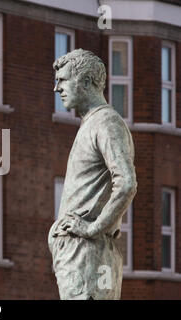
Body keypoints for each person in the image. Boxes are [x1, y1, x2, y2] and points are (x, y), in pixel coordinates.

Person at [48, 49, 137, 300]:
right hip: (81, 250)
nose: (57, 88)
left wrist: (93, 228)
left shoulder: (105, 122)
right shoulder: (92, 124)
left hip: (87, 250)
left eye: (63, 80)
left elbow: (127, 183)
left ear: (86, 82)